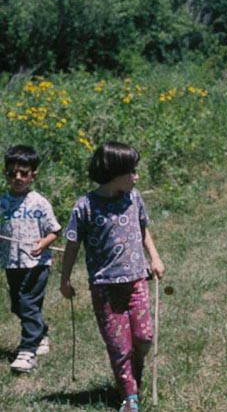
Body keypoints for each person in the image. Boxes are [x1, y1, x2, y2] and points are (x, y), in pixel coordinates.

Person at [60, 141, 165, 412]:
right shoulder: (85, 206)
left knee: (144, 337)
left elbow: (143, 229)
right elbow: (72, 244)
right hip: (105, 287)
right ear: (113, 172)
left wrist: (154, 258)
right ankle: (129, 395)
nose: (136, 176)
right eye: (132, 171)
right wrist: (65, 278)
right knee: (119, 345)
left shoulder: (134, 198)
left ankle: (136, 366)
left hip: (137, 280)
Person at [1, 145, 61, 373]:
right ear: (5, 173)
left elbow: (55, 230)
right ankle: (41, 331)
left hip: (36, 264)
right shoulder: (3, 202)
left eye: (23, 173)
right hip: (11, 262)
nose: (18, 178)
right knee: (18, 305)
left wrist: (44, 243)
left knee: (28, 303)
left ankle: (28, 350)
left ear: (33, 175)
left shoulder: (39, 202)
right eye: (12, 173)